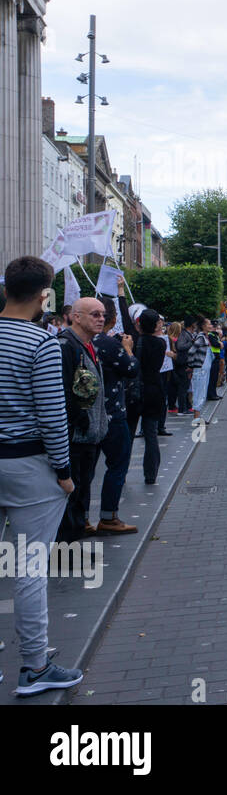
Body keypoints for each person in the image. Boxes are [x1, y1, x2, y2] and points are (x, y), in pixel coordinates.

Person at [0, 256, 86, 695]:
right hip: (28, 463)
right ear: (43, 295)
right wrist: (64, 472)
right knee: (29, 566)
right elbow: (53, 415)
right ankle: (33, 666)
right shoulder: (41, 342)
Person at [57, 296, 110, 543]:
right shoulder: (66, 346)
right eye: (95, 314)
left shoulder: (89, 346)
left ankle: (74, 545)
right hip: (76, 437)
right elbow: (64, 391)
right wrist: (81, 420)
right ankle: (65, 549)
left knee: (82, 493)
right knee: (72, 495)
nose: (101, 319)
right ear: (76, 316)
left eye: (102, 314)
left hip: (90, 436)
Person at [91, 295, 140, 535]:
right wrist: (128, 350)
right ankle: (109, 517)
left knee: (84, 471)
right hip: (111, 413)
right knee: (117, 465)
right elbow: (131, 369)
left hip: (85, 416)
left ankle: (79, 519)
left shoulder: (74, 341)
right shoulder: (110, 345)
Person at [135, 310, 168, 488]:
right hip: (154, 388)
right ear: (156, 325)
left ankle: (121, 472)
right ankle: (151, 474)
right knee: (151, 434)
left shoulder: (135, 342)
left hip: (136, 389)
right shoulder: (160, 343)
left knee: (129, 433)